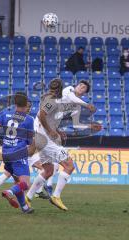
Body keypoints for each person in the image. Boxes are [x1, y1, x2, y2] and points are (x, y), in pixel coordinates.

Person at [25, 79, 98, 211]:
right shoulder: (66, 92)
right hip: (44, 136)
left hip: (46, 136)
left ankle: (28, 197)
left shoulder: (75, 107)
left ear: (85, 93)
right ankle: (56, 196)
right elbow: (42, 115)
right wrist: (87, 105)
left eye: (84, 88)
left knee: (48, 171)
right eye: (80, 85)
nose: (80, 88)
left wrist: (90, 126)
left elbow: (76, 125)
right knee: (69, 165)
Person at [0, 92, 34, 214]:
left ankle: (24, 207)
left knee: (18, 182)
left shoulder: (4, 114)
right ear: (25, 104)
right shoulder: (29, 119)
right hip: (19, 154)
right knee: (26, 184)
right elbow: (29, 141)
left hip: (6, 154)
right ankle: (9, 192)